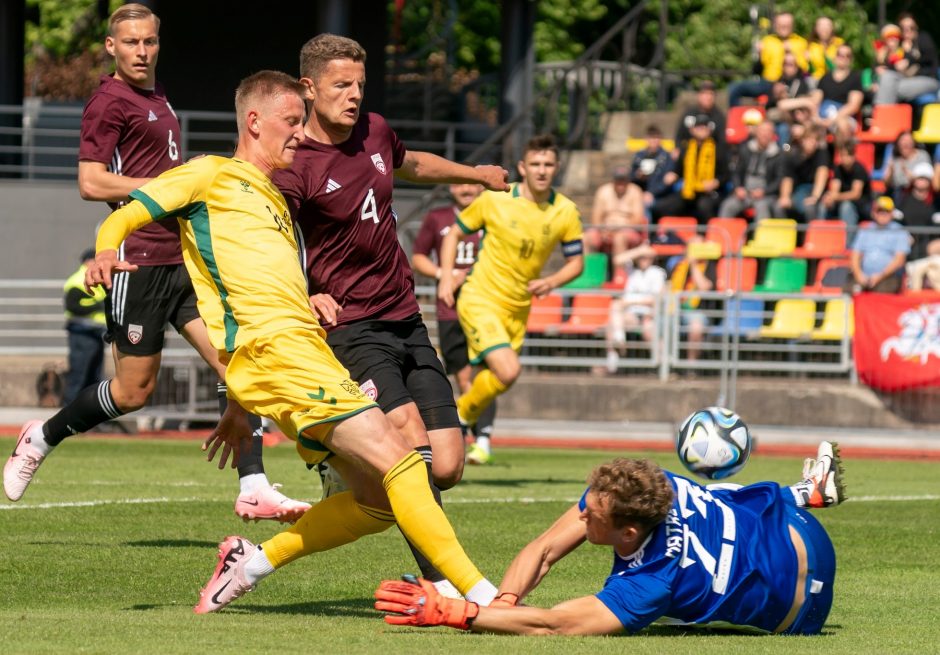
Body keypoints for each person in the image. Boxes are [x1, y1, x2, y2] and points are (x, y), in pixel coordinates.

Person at [84, 69, 500, 614]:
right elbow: (133, 211)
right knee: (402, 462)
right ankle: (484, 596)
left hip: (300, 353)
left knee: (376, 502)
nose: (301, 133)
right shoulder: (209, 175)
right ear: (254, 122)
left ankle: (251, 563)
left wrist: (240, 400)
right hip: (280, 356)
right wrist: (105, 249)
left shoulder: (279, 202)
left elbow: (255, 287)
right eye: (292, 122)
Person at [2, 4, 308, 521]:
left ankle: (253, 483)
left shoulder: (157, 96)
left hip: (184, 260)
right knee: (132, 391)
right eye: (131, 43)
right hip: (137, 263)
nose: (142, 51)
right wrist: (168, 188)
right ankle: (42, 435)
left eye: (150, 42)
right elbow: (91, 182)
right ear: (111, 47)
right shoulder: (108, 102)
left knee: (239, 362)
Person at [270, 34, 508, 590]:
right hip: (351, 327)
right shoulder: (296, 165)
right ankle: (447, 585)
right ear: (309, 89)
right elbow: (274, 240)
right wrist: (303, 293)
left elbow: (413, 163)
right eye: (340, 86)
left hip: (405, 316)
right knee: (409, 453)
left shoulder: (374, 129)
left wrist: (475, 174)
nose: (354, 96)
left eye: (359, 84)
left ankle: (341, 465)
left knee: (447, 464)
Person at [375, 441, 846, 636]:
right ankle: (803, 493)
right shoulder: (650, 483)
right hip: (796, 528)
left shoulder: (649, 584)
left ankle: (800, 493)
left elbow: (554, 625)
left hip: (802, 606)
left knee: (718, 499)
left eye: (592, 515)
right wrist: (504, 602)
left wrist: (459, 612)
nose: (583, 515)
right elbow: (543, 549)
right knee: (714, 495)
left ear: (629, 533)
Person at [437, 134, 584, 464]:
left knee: (485, 378)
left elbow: (577, 262)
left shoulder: (565, 212)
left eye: (548, 164)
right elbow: (456, 232)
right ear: (522, 167)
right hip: (480, 297)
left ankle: (464, 428)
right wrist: (446, 274)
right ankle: (459, 418)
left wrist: (551, 280)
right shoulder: (495, 199)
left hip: (517, 308)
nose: (542, 170)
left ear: (556, 168)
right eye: (535, 164)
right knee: (508, 370)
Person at [410, 184, 498, 464]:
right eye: (460, 182)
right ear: (451, 187)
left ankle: (483, 439)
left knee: (485, 374)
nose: (467, 188)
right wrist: (444, 274)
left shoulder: (492, 215)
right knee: (462, 378)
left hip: (487, 305)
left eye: (472, 182)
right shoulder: (437, 218)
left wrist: (469, 274)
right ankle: (468, 436)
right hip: (450, 309)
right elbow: (418, 257)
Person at [654, 114, 729, 225]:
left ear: (709, 130)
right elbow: (678, 171)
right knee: (661, 207)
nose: (701, 129)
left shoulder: (718, 149)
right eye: (698, 126)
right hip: (689, 191)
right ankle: (666, 236)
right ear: (692, 130)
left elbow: (726, 174)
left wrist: (716, 182)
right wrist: (673, 175)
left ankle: (705, 238)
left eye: (704, 126)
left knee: (704, 207)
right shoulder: (686, 148)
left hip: (709, 193)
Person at [604, 244, 666, 374]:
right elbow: (617, 260)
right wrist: (638, 250)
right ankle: (615, 356)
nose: (643, 259)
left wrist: (628, 302)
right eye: (641, 257)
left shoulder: (657, 273)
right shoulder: (632, 271)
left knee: (649, 329)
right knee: (610, 324)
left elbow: (654, 300)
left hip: (649, 314)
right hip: (631, 314)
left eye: (646, 257)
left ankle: (663, 365)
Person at [729, 12, 808, 107]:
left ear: (792, 25)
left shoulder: (801, 42)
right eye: (781, 24)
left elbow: (805, 70)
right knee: (734, 88)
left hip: (791, 83)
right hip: (768, 83)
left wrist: (791, 51)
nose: (784, 26)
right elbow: (756, 70)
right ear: (775, 25)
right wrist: (759, 55)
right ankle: (735, 118)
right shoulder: (767, 41)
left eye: (787, 24)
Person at [585, 166, 646, 285]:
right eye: (618, 181)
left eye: (623, 181)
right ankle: (589, 276)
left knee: (620, 238)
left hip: (628, 231)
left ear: (628, 181)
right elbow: (596, 217)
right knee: (586, 238)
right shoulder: (603, 191)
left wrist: (618, 230)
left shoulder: (635, 191)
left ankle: (619, 279)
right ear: (613, 181)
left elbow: (637, 219)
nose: (621, 184)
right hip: (605, 229)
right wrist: (602, 231)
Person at [61, 248, 108, 406]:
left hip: (96, 334)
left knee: (94, 378)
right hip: (82, 333)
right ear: (88, 261)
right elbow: (72, 307)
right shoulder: (78, 280)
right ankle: (67, 417)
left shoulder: (96, 278)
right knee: (79, 376)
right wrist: (97, 306)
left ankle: (90, 418)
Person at [717, 119, 784, 221]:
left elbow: (779, 180)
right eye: (762, 131)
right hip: (745, 193)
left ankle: (761, 236)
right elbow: (736, 172)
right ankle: (724, 235)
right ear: (757, 132)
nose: (765, 134)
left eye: (768, 131)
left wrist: (764, 191)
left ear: (773, 134)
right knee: (728, 205)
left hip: (766, 195)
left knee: (762, 207)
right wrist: (738, 188)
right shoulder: (745, 149)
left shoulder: (779, 155)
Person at [844, 196, 911, 294]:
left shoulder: (899, 231)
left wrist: (879, 276)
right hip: (864, 276)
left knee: (881, 291)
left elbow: (899, 260)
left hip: (888, 277)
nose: (883, 214)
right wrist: (859, 275)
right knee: (847, 291)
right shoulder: (865, 230)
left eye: (886, 211)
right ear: (873, 213)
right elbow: (855, 254)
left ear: (892, 213)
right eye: (879, 210)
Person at [874, 14, 940, 105]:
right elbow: (893, 68)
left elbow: (930, 57)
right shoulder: (900, 48)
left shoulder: (923, 38)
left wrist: (910, 57)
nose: (908, 31)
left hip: (928, 79)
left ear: (916, 27)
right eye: (903, 28)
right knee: (887, 77)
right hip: (906, 80)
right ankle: (883, 114)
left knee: (890, 88)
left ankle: (882, 115)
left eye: (911, 27)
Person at [812, 44, 864, 145]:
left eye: (847, 55)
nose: (843, 58)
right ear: (835, 57)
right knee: (807, 125)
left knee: (842, 124)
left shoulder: (855, 78)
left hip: (844, 117)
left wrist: (833, 120)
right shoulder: (825, 78)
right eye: (840, 55)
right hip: (823, 116)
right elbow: (815, 101)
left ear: (851, 59)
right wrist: (816, 118)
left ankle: (842, 158)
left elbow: (853, 106)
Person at [777, 127, 830, 222]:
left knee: (810, 208)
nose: (812, 142)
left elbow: (822, 173)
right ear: (802, 141)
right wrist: (785, 196)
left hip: (816, 191)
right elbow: (788, 178)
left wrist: (815, 197)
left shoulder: (821, 153)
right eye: (809, 139)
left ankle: (812, 236)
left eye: (815, 140)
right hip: (799, 190)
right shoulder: (793, 154)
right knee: (780, 207)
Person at [820, 141, 870, 234]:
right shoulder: (838, 168)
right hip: (842, 201)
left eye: (848, 155)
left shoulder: (859, 169)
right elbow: (834, 189)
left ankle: (848, 243)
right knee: (824, 204)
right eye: (842, 155)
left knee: (846, 207)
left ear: (853, 156)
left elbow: (855, 194)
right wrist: (830, 198)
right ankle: (820, 235)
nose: (845, 159)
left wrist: (835, 197)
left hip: (861, 205)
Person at [674, 81, 726, 153]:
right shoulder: (689, 113)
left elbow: (722, 143)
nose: (708, 97)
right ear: (699, 95)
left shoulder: (719, 117)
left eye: (711, 94)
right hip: (689, 154)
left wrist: (708, 135)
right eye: (704, 93)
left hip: (710, 156)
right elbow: (679, 136)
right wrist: (693, 133)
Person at [629, 125, 672, 213]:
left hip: (660, 195)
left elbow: (667, 181)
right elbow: (631, 177)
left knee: (645, 206)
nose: (654, 141)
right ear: (646, 139)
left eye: (656, 138)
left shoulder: (667, 157)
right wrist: (638, 176)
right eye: (651, 138)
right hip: (639, 192)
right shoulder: (639, 156)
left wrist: (652, 193)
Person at [885, 131, 932, 200]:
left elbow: (927, 179)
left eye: (909, 141)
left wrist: (911, 176)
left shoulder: (922, 156)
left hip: (917, 192)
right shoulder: (894, 159)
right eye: (903, 140)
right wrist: (890, 171)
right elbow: (887, 184)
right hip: (898, 193)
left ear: (913, 143)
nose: (906, 143)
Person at [806, 16, 844, 81]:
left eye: (827, 25)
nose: (824, 28)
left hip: (836, 79)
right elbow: (807, 70)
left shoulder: (839, 44)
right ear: (815, 29)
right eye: (820, 25)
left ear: (832, 28)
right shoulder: (810, 46)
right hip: (816, 80)